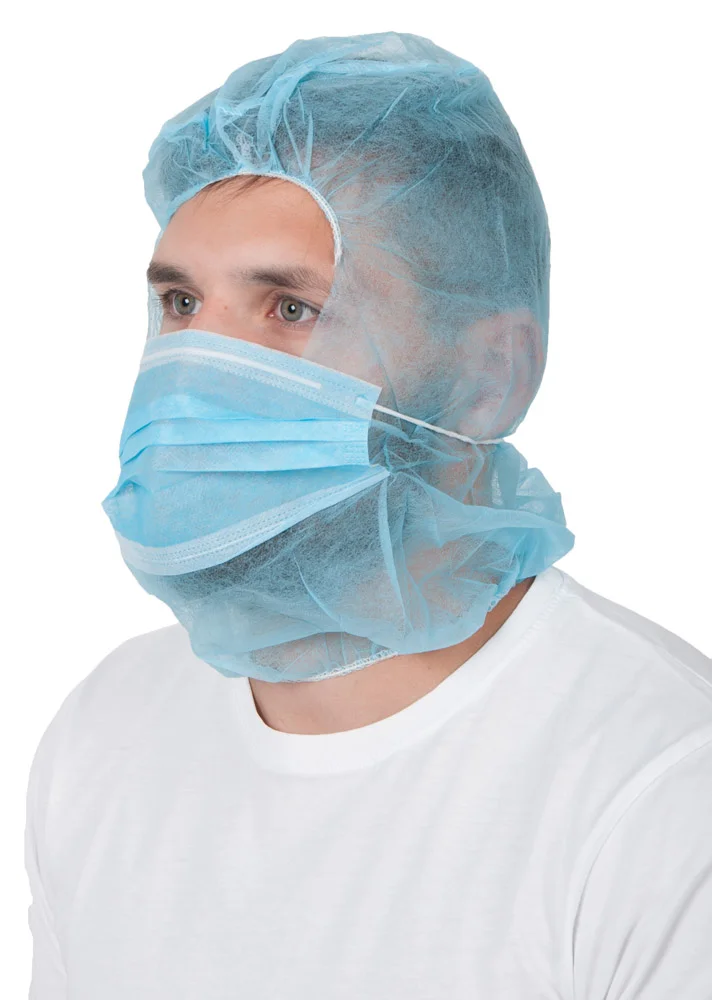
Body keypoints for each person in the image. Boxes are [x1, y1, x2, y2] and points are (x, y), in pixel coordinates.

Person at [24, 31, 712, 999]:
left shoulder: (658, 789)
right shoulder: (103, 736)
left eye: (289, 310)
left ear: (490, 375)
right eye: (180, 303)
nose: (195, 373)